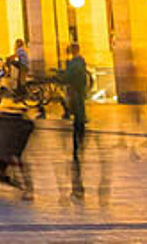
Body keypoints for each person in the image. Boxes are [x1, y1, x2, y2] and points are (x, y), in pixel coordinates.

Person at [59, 43, 92, 197]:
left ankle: (77, 140)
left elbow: (68, 77)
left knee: (77, 113)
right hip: (79, 94)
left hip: (76, 94)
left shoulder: (75, 64)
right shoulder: (80, 62)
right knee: (78, 111)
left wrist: (61, 74)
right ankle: (79, 132)